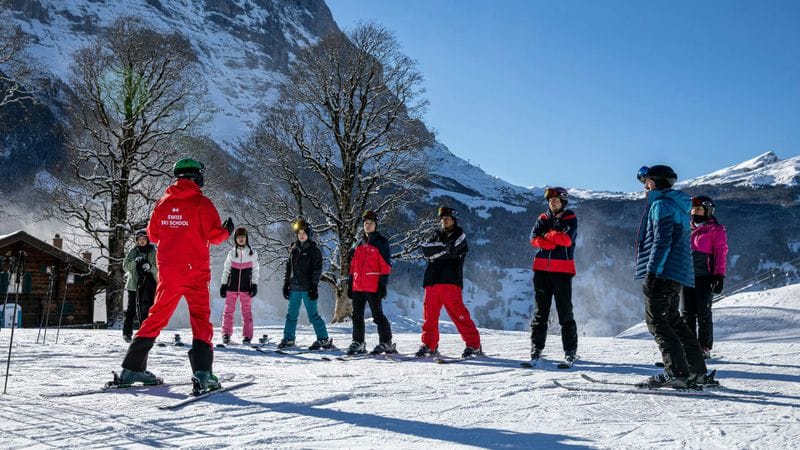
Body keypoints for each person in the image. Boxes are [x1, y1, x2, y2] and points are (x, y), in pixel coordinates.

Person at [114, 158, 233, 394]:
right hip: (195, 271)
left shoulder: (163, 203)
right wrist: (227, 230)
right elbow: (215, 236)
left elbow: (153, 235)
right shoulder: (202, 203)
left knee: (157, 316)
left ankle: (132, 368)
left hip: (168, 270)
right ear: (197, 177)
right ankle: (203, 373)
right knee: (200, 318)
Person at [635, 164, 714, 388]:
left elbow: (662, 241)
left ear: (655, 182)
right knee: (674, 321)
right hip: (677, 272)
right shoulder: (679, 205)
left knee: (658, 322)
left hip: (663, 271)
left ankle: (677, 373)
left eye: (646, 181)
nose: (645, 186)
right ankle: (696, 371)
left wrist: (652, 272)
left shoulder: (660, 205)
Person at [417, 206, 482, 358]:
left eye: (447, 218)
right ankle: (429, 345)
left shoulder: (460, 234)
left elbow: (452, 250)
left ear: (453, 220)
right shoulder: (435, 234)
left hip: (450, 281)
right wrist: (442, 250)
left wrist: (437, 253)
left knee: (459, 315)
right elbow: (426, 250)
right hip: (432, 281)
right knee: (429, 317)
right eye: (442, 218)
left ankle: (474, 345)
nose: (444, 220)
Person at [528, 187, 578, 365]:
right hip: (541, 270)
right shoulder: (542, 218)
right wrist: (548, 240)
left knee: (565, 312)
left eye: (556, 200)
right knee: (540, 312)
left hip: (562, 271)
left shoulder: (570, 217)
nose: (552, 202)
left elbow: (566, 240)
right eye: (550, 200)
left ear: (563, 202)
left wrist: (547, 236)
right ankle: (536, 348)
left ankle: (570, 350)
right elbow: (533, 238)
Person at [683, 195, 728, 359]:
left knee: (703, 312)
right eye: (693, 209)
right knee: (687, 313)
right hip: (686, 276)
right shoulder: (687, 228)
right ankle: (688, 346)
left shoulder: (716, 230)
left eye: (699, 209)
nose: (695, 212)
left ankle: (704, 347)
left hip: (705, 276)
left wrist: (718, 276)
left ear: (708, 211)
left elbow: (721, 253)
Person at [346, 210, 394, 355]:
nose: (368, 225)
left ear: (376, 225)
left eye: (371, 223)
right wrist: (350, 284)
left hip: (373, 286)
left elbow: (385, 266)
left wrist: (382, 285)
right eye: (366, 223)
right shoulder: (359, 243)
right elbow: (353, 266)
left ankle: (386, 342)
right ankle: (358, 342)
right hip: (358, 286)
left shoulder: (381, 242)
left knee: (377, 315)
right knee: (357, 316)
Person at [280, 218, 332, 350]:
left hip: (308, 288)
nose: (301, 235)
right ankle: (289, 339)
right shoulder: (293, 249)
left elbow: (317, 270)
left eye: (304, 232)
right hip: (294, 288)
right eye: (299, 233)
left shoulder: (314, 251)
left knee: (313, 316)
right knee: (291, 315)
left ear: (309, 234)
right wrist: (286, 284)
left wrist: (314, 287)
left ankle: (323, 339)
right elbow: (288, 268)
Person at [219, 227, 260, 345]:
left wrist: (254, 285)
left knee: (246, 312)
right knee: (228, 311)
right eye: (238, 237)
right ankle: (226, 334)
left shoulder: (252, 253)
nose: (241, 239)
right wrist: (223, 284)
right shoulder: (231, 253)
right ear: (235, 239)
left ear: (246, 238)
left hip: (246, 287)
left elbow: (256, 270)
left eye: (243, 237)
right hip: (231, 287)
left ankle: (247, 336)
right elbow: (226, 269)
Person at [121, 229, 158, 342]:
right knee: (131, 309)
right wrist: (135, 262)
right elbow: (125, 267)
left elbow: (158, 269)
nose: (142, 241)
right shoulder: (133, 251)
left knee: (146, 310)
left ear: (147, 240)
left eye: (144, 239)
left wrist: (149, 267)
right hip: (133, 285)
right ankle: (127, 333)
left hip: (148, 286)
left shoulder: (153, 251)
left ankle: (146, 333)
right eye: (139, 239)